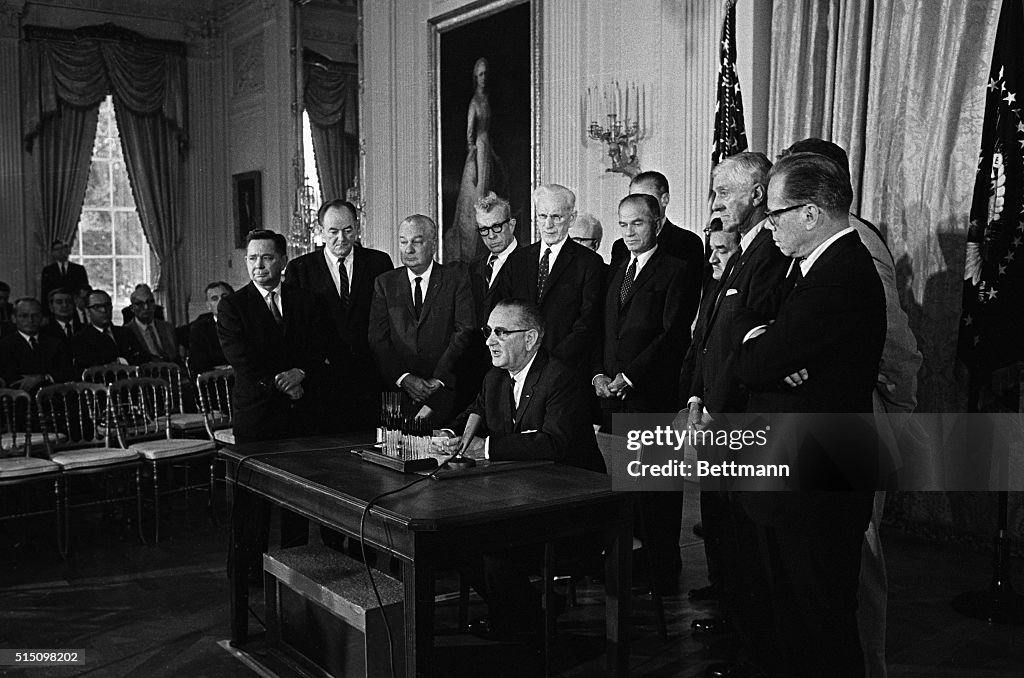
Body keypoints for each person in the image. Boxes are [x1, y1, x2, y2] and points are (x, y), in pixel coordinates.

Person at [729, 152, 886, 678]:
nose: (767, 224)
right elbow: (756, 340)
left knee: (820, 627)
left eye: (774, 214)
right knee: (797, 623)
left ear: (812, 213)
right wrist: (766, 344)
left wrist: (765, 348)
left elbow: (754, 364)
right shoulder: (814, 267)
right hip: (798, 484)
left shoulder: (840, 273)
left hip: (815, 492)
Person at [780, 138, 923, 678]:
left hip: (856, 416)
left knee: (855, 558)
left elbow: (897, 345)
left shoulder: (855, 243)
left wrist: (893, 414)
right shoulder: (812, 244)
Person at [677, 152, 790, 655]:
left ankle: (754, 648)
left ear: (757, 196)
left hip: (745, 421)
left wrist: (718, 409)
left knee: (750, 546)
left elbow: (755, 337)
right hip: (717, 413)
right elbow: (714, 336)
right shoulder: (743, 249)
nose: (716, 201)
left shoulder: (770, 250)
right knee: (728, 534)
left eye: (725, 191)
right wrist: (700, 398)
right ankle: (738, 629)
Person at [441, 299, 605, 638]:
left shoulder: (561, 378)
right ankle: (525, 612)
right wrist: (450, 433)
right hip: (520, 502)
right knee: (455, 541)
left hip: (572, 513)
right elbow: (477, 412)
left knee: (496, 550)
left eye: (501, 332)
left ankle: (519, 635)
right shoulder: (494, 379)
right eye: (489, 331)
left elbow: (553, 443)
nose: (489, 341)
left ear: (530, 338)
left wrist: (484, 446)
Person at [593, 193, 693, 594]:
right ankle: (635, 567)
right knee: (627, 488)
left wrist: (629, 377)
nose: (629, 232)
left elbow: (672, 337)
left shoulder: (677, 270)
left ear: (656, 223)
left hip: (651, 396)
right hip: (615, 398)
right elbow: (607, 332)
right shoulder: (618, 270)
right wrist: (600, 373)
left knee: (658, 493)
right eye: (623, 224)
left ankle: (664, 571)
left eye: (637, 223)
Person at [286, 200, 394, 432]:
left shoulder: (379, 262)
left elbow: (389, 321)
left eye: (347, 230)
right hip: (322, 381)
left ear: (357, 227)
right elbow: (296, 331)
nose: (341, 238)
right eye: (333, 232)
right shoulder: (300, 269)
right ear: (320, 231)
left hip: (369, 378)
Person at [217, 229, 329, 443]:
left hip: (304, 414)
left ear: (283, 261)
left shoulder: (307, 301)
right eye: (252, 258)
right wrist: (283, 385)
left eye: (267, 258)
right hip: (258, 415)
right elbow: (241, 358)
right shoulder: (232, 306)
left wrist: (300, 372)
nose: (258, 266)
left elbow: (319, 345)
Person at [368, 215, 475, 424]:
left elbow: (464, 330)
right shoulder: (385, 283)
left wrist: (438, 379)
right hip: (399, 396)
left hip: (445, 393)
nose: (408, 249)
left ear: (433, 244)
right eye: (403, 241)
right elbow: (377, 339)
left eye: (417, 242)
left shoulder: (456, 280)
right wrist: (404, 378)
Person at [494, 184, 605, 373]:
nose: (548, 225)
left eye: (556, 217)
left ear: (572, 218)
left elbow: (587, 322)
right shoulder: (518, 260)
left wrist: (552, 361)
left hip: (566, 368)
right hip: (520, 366)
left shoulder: (589, 263)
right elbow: (504, 311)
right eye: (542, 216)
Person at [611, 170, 705, 323]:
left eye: (645, 198)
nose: (638, 204)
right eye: (633, 198)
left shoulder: (687, 243)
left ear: (664, 199)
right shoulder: (620, 247)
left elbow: (685, 309)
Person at [445, 57, 507, 263]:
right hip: (479, 149)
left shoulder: (487, 99)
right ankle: (473, 248)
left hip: (487, 147)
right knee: (477, 193)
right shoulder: (474, 102)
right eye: (480, 74)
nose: (483, 78)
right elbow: (470, 133)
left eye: (486, 74)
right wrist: (474, 152)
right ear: (475, 77)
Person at [0, 297, 74, 391]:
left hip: (53, 397)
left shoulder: (56, 344)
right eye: (24, 316)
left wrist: (42, 378)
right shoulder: (4, 346)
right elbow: (9, 378)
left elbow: (68, 374)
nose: (30, 320)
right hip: (20, 399)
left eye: (35, 315)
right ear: (14, 318)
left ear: (42, 318)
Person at [72, 289, 147, 371]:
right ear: (88, 311)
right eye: (97, 307)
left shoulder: (125, 332)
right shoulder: (81, 339)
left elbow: (142, 360)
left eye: (107, 305)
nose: (104, 310)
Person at [125, 284, 178, 363]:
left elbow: (175, 355)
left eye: (150, 302)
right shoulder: (127, 332)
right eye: (140, 304)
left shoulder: (168, 327)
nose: (146, 307)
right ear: (132, 308)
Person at [188, 282, 233, 375]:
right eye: (214, 299)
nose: (221, 302)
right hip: (216, 380)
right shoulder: (200, 329)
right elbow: (199, 364)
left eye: (224, 296)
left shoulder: (246, 322)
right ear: (208, 306)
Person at [40, 240, 89, 310]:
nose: (60, 251)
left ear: (68, 250)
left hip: (75, 307)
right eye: (57, 249)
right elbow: (45, 293)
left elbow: (85, 290)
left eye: (62, 248)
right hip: (55, 308)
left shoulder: (79, 269)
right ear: (52, 253)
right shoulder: (48, 271)